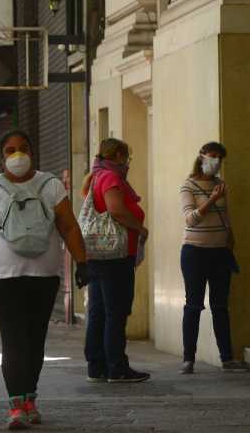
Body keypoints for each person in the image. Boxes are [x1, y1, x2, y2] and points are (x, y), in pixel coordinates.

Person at [0, 130, 89, 430]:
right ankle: (17, 405)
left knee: (35, 340)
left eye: (23, 148)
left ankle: (30, 398)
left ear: (33, 151)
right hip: (3, 279)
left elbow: (68, 226)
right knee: (14, 338)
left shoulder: (50, 185)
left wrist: (82, 262)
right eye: (11, 150)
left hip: (44, 277)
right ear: (2, 156)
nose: (18, 155)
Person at [81, 138, 151, 384]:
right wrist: (140, 229)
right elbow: (116, 210)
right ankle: (117, 366)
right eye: (127, 157)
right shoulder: (110, 178)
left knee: (99, 311)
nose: (128, 163)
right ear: (119, 155)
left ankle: (96, 365)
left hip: (99, 256)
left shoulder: (97, 176)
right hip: (115, 256)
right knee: (116, 311)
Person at [178, 142, 248, 374]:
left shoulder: (219, 184)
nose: (216, 161)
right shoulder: (188, 186)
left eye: (220, 158)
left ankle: (226, 358)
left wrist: (231, 236)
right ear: (202, 157)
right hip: (195, 253)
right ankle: (188, 359)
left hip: (220, 252)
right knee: (193, 305)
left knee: (220, 306)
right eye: (212, 156)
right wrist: (210, 199)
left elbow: (224, 214)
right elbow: (190, 219)